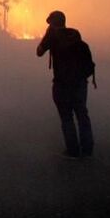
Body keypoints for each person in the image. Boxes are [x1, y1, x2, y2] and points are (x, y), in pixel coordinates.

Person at [36, 10, 94, 159]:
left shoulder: (52, 37)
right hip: (80, 83)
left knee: (66, 117)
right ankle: (87, 150)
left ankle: (73, 151)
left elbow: (39, 52)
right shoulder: (75, 35)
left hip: (62, 83)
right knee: (82, 114)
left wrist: (47, 35)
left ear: (52, 23)